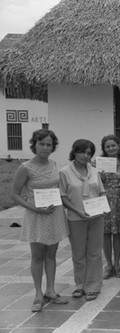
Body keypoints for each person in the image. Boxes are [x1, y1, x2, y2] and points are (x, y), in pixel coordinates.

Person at [10, 129, 69, 312]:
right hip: (36, 215)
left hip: (54, 214)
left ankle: (50, 290)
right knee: (37, 255)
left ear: (53, 147)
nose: (45, 147)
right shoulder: (25, 168)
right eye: (41, 144)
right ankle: (38, 293)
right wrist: (34, 208)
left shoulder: (53, 164)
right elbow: (14, 195)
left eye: (49, 144)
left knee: (51, 254)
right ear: (34, 144)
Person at [59, 139, 105, 302]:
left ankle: (93, 286)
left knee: (94, 252)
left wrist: (103, 207)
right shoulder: (64, 172)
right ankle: (80, 284)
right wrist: (78, 211)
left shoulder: (94, 171)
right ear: (74, 152)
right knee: (78, 253)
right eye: (82, 152)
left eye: (89, 153)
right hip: (75, 217)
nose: (85, 156)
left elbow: (101, 192)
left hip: (96, 217)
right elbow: (63, 197)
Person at [99, 134, 120, 279]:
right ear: (104, 149)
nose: (111, 148)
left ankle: (117, 264)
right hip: (104, 200)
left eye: (113, 145)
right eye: (107, 146)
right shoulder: (97, 164)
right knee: (105, 234)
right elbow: (91, 182)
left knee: (118, 234)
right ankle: (108, 265)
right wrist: (99, 178)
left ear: (118, 146)